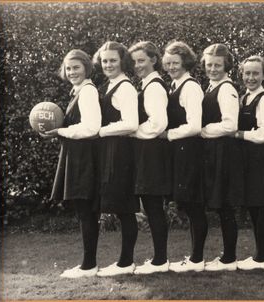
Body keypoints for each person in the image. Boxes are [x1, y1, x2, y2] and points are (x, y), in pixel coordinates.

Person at [47, 49, 101, 278]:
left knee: (85, 211)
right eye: (68, 68)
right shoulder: (78, 91)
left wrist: (61, 130)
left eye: (76, 67)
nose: (71, 72)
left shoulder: (88, 92)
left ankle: (88, 266)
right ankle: (88, 264)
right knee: (84, 211)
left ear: (86, 67)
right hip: (77, 156)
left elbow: (91, 127)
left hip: (83, 158)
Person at [92, 41, 140, 276]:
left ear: (122, 61)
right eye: (104, 60)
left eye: (113, 60)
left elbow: (131, 124)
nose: (108, 64)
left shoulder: (125, 87)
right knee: (121, 208)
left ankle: (126, 262)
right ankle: (124, 261)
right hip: (111, 150)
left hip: (121, 152)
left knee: (125, 208)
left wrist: (102, 130)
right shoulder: (111, 85)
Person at [127, 41, 172, 274]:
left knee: (154, 207)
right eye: (134, 62)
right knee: (152, 207)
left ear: (154, 60)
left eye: (141, 60)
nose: (137, 66)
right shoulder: (147, 84)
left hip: (152, 154)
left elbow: (158, 123)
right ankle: (159, 259)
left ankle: (160, 260)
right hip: (147, 152)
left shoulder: (154, 86)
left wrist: (131, 130)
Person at [162, 41, 206, 273]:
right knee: (188, 205)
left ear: (185, 62)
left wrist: (167, 134)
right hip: (178, 152)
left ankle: (197, 259)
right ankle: (195, 257)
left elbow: (195, 126)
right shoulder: (174, 84)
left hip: (190, 152)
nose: (171, 67)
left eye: (175, 63)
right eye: (167, 63)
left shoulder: (190, 87)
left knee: (193, 205)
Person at [200, 43, 243, 272]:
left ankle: (229, 258)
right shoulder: (211, 87)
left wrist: (203, 131)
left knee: (225, 205)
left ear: (226, 65)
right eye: (209, 65)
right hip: (213, 152)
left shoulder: (227, 89)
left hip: (223, 153)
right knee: (220, 206)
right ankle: (228, 256)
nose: (213, 69)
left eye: (218, 65)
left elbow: (230, 125)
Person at [235, 55, 264, 270]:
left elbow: (263, 135)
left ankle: (261, 258)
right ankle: (259, 256)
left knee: (259, 208)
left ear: (263, 75)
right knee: (252, 207)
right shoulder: (244, 98)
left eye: (255, 73)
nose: (250, 77)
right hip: (245, 160)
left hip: (259, 160)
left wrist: (238, 134)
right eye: (247, 73)